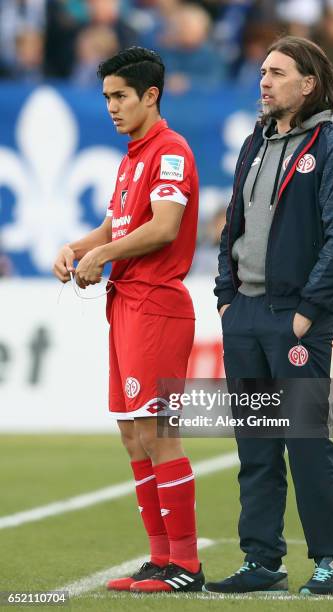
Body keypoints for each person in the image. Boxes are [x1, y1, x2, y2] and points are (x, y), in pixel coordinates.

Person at [205, 36, 333, 596]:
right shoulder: (254, 143)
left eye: (276, 73)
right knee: (255, 445)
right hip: (244, 315)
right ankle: (261, 559)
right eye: (262, 73)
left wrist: (307, 312)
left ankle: (331, 562)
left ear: (308, 84)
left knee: (305, 442)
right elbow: (233, 226)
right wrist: (226, 296)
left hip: (294, 320)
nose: (264, 82)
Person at [53, 46, 204, 594]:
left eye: (120, 96)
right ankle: (161, 559)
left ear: (151, 96)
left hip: (157, 304)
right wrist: (76, 247)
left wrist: (102, 256)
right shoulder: (131, 157)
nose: (112, 107)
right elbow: (114, 227)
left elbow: (164, 227)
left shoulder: (169, 152)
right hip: (126, 305)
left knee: (158, 433)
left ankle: (186, 565)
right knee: (131, 433)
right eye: (107, 98)